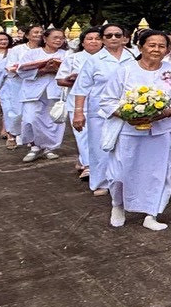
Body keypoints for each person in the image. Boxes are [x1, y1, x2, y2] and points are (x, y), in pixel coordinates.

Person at [99, 28, 171, 232]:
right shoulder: (125, 70)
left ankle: (151, 213)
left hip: (161, 131)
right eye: (151, 45)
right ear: (140, 46)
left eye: (161, 46)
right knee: (120, 172)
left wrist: (166, 112)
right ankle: (118, 205)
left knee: (159, 173)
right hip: (129, 131)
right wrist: (129, 115)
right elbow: (107, 100)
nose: (156, 49)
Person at [72, 24, 135, 198]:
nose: (113, 38)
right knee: (99, 147)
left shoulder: (132, 58)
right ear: (102, 39)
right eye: (109, 36)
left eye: (117, 35)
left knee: (125, 147)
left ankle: (123, 181)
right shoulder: (94, 60)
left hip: (127, 110)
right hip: (99, 111)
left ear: (124, 37)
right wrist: (79, 112)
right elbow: (81, 88)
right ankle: (100, 182)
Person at [14, 26, 68, 163]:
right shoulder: (32, 54)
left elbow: (71, 72)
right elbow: (21, 71)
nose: (58, 40)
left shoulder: (67, 54)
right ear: (45, 38)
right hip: (33, 91)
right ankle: (34, 147)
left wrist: (55, 70)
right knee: (30, 119)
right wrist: (42, 70)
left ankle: (49, 148)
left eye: (61, 38)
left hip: (55, 91)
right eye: (55, 37)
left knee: (53, 121)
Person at [59, 28, 103, 180]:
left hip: (102, 101)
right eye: (89, 38)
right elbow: (60, 80)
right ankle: (88, 166)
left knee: (100, 135)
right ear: (82, 42)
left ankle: (93, 163)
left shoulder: (109, 58)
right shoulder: (73, 58)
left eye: (97, 38)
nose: (93, 41)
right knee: (83, 134)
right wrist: (75, 80)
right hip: (78, 101)